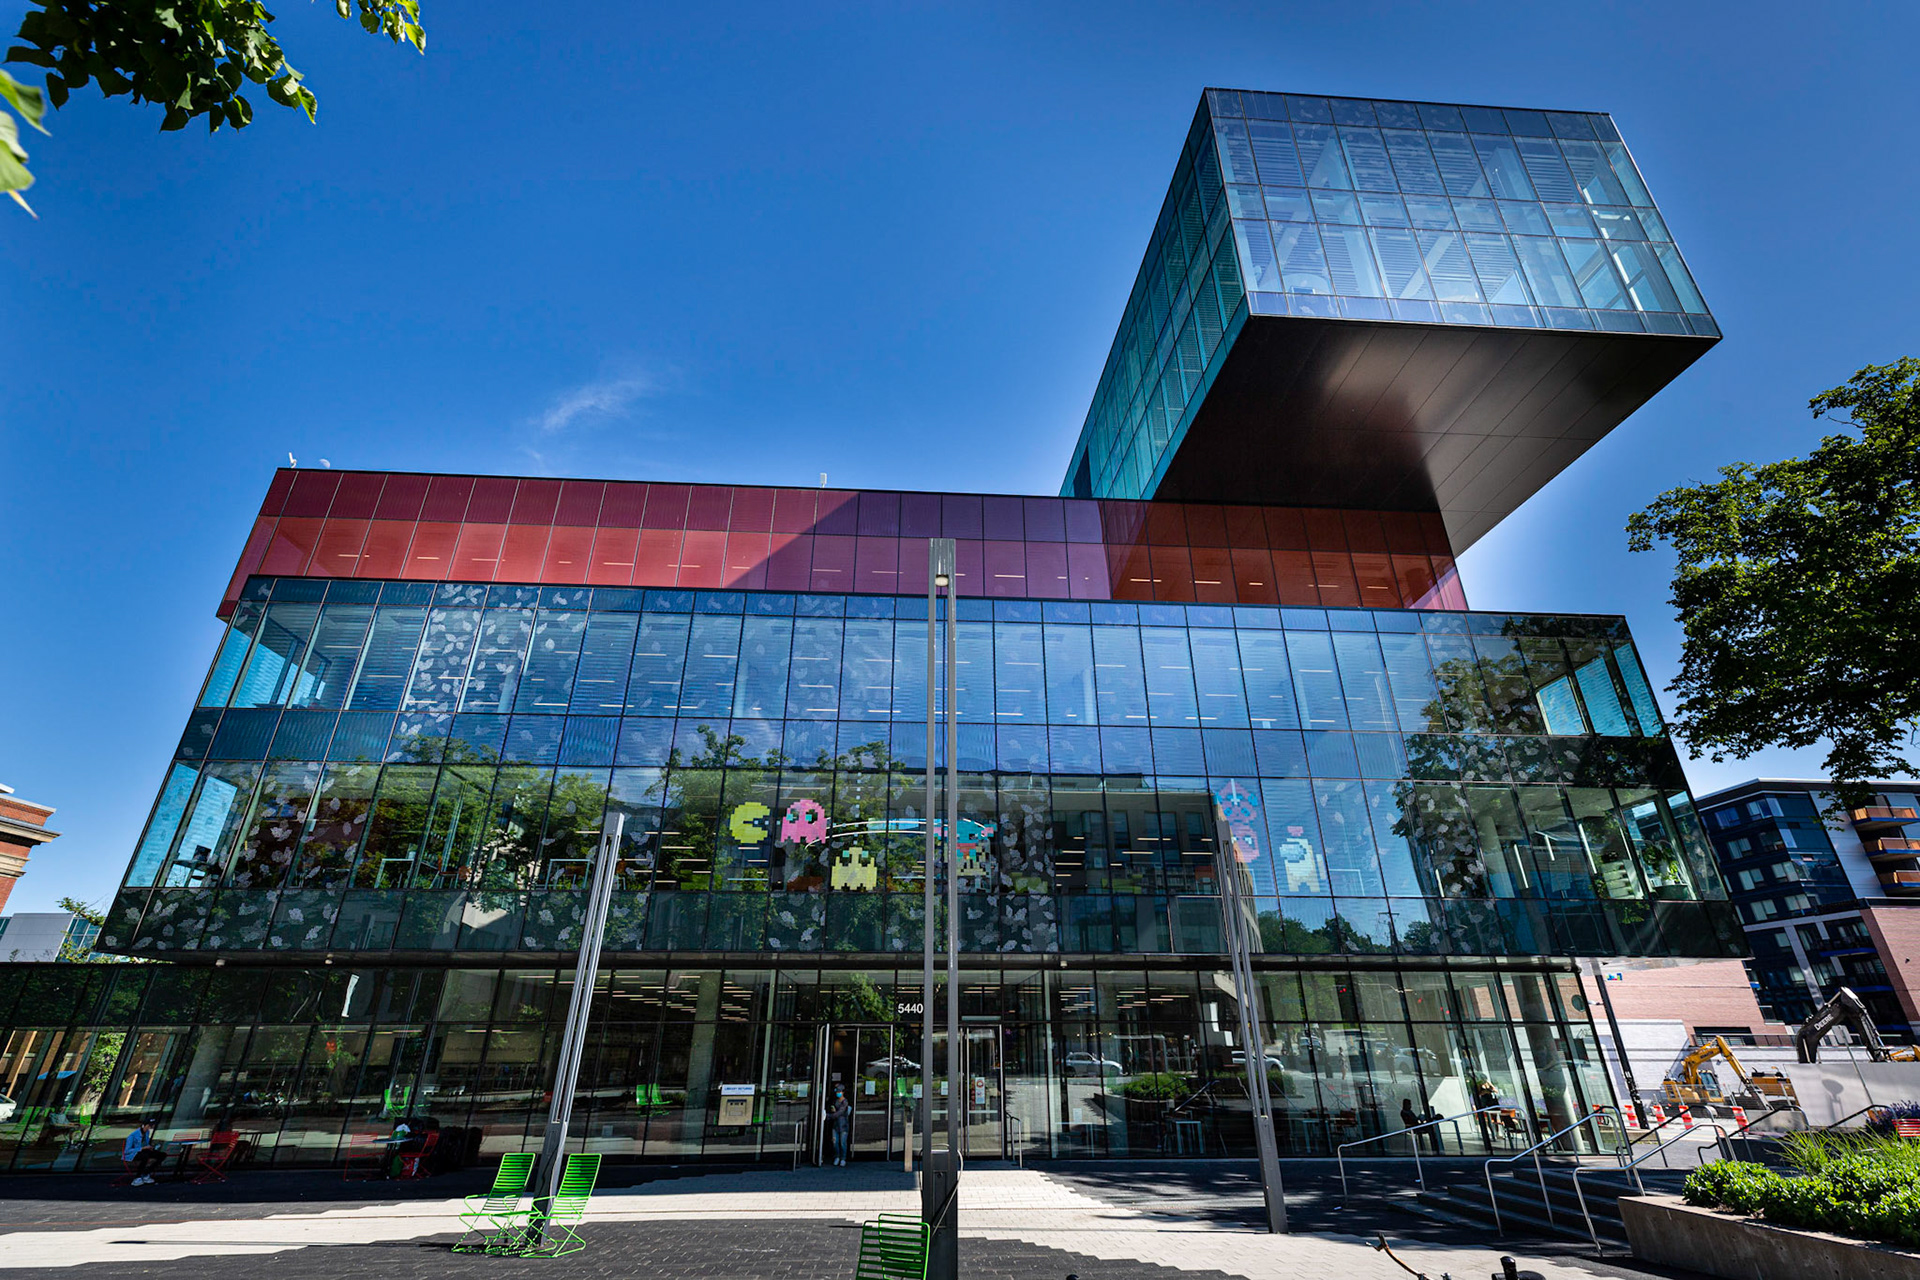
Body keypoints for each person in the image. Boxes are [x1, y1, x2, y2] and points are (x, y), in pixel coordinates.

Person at [123, 1119, 165, 1186]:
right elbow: (127, 1151)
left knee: (162, 1155)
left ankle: (146, 1173)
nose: (150, 1128)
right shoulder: (132, 1136)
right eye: (149, 1126)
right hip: (133, 1154)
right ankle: (138, 1177)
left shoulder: (146, 1133)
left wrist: (150, 1147)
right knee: (145, 1156)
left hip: (144, 1151)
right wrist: (142, 1148)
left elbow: (146, 1144)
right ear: (144, 1126)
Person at [827, 1085, 852, 1167]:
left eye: (839, 1092)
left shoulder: (845, 1102)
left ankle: (843, 1158)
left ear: (843, 1092)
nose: (838, 1093)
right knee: (835, 1143)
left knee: (842, 1143)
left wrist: (828, 1116)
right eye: (837, 1092)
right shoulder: (835, 1101)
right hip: (836, 1125)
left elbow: (839, 1113)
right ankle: (837, 1157)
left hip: (843, 1126)